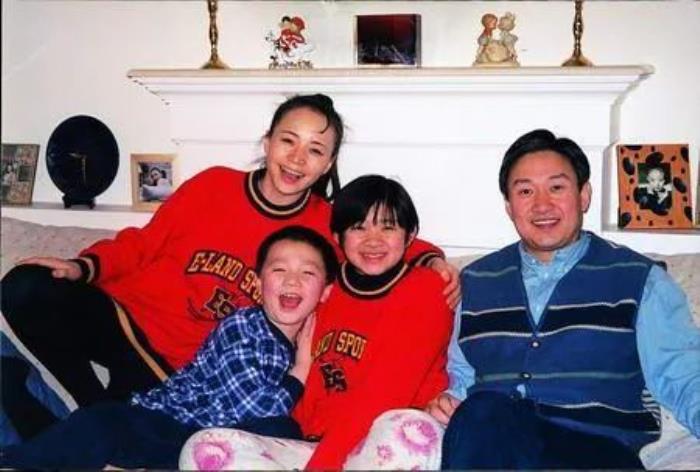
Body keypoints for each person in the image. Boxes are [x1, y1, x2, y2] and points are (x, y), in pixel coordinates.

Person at [0, 93, 459, 440]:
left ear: (328, 164)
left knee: (125, 437)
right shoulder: (212, 185)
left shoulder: (326, 225)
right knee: (24, 286)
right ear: (268, 143)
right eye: (288, 141)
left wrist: (433, 260)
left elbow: (379, 244)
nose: (298, 158)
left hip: (179, 368)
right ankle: (88, 405)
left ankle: (46, 405)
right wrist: (83, 267)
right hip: (123, 318)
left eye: (316, 150)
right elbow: (143, 244)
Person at [426, 128, 700, 469]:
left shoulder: (640, 279)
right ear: (509, 207)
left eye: (557, 187)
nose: (542, 205)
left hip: (596, 452)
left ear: (583, 195)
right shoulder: (474, 282)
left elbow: (682, 376)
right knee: (481, 411)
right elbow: (461, 377)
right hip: (498, 442)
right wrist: (446, 401)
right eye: (525, 191)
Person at [0, 225, 338, 468]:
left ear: (325, 291)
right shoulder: (244, 326)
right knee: (101, 424)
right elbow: (250, 406)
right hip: (169, 421)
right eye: (279, 269)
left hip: (203, 447)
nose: (292, 280)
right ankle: (16, 454)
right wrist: (299, 373)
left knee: (282, 431)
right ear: (259, 281)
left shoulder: (309, 342)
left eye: (307, 273)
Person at [179, 175, 454, 470]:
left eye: (388, 227)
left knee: (408, 430)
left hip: (381, 442)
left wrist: (321, 466)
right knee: (204, 446)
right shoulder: (323, 286)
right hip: (313, 445)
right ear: (337, 237)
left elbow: (382, 395)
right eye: (358, 227)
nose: (373, 240)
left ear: (410, 236)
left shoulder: (425, 290)